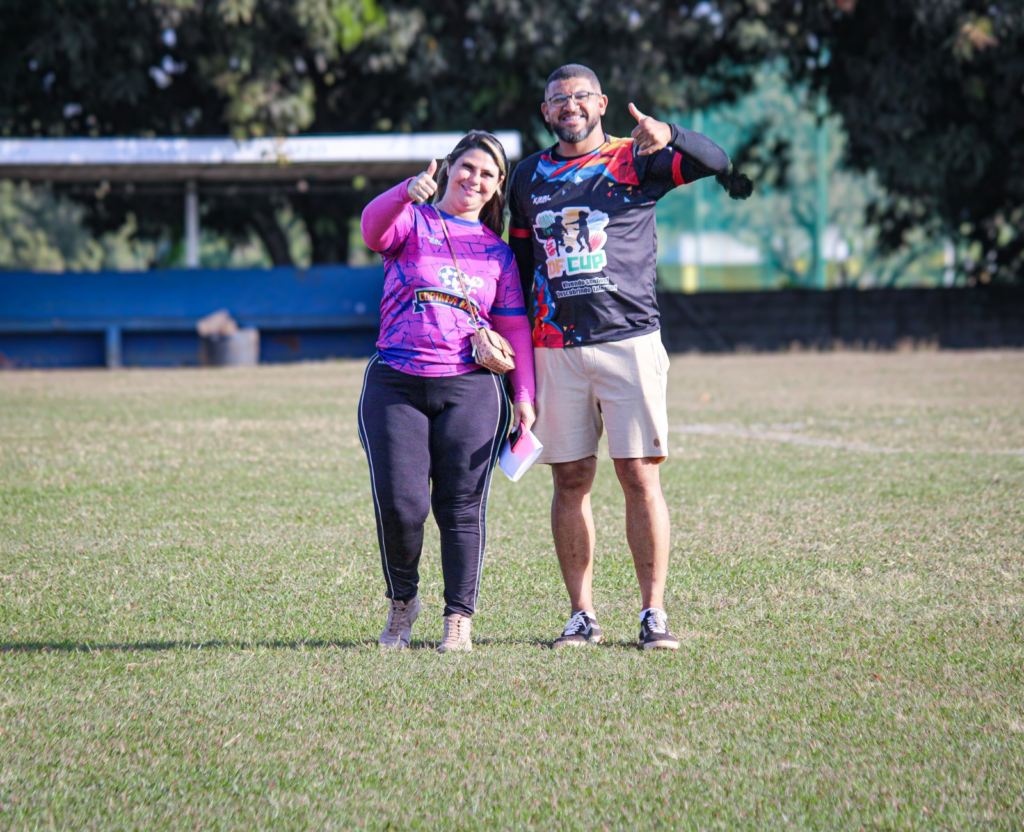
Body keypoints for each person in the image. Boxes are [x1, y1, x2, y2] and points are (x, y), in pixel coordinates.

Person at [508, 64, 731, 650]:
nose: (570, 106)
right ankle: (581, 615)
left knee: (638, 475)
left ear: (602, 103)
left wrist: (671, 134)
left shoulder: (635, 157)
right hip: (555, 347)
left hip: (629, 339)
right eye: (559, 99)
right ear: (546, 111)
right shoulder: (527, 176)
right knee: (570, 479)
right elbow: (520, 266)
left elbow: (717, 161)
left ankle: (653, 613)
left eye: (581, 96)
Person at [359, 131, 536, 653]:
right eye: (467, 167)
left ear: (497, 187)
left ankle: (459, 618)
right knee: (402, 506)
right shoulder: (411, 221)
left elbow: (514, 326)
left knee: (460, 507)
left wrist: (524, 396)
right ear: (449, 168)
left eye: (487, 174)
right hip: (397, 381)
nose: (474, 179)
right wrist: (404, 192)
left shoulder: (499, 255)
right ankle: (402, 603)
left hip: (471, 388)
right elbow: (372, 230)